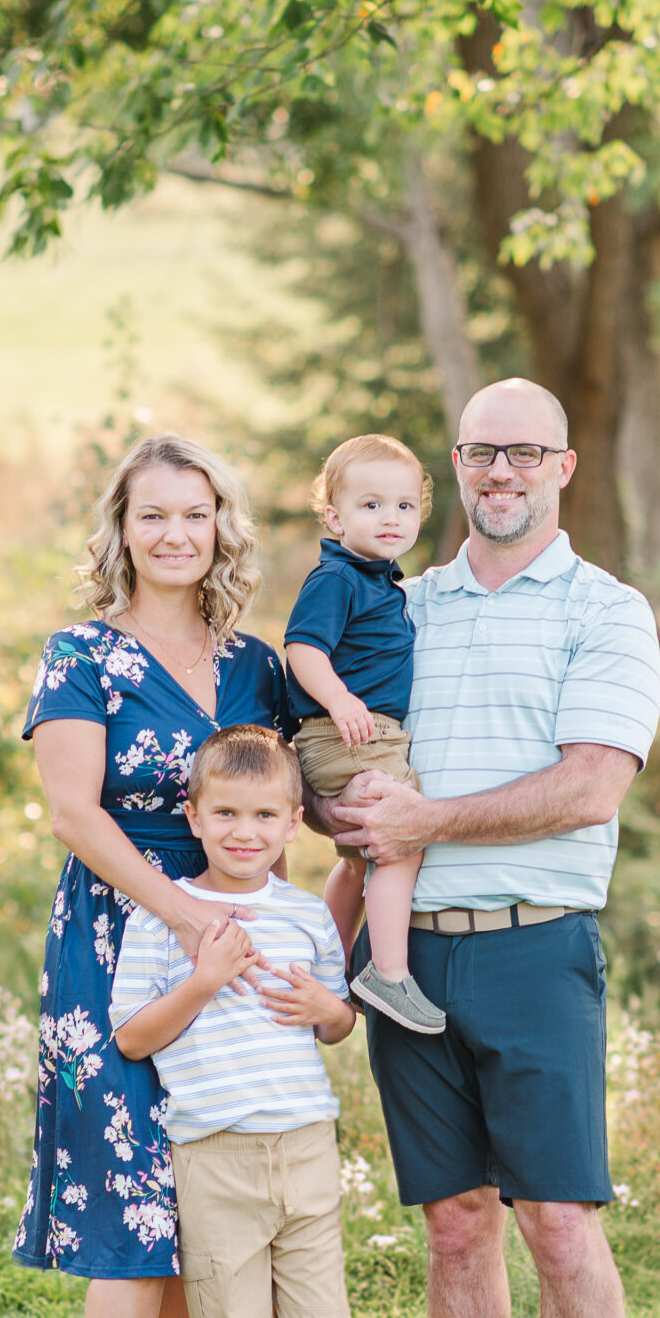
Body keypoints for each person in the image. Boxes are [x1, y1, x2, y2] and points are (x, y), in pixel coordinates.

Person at [326, 377, 660, 1318]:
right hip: (406, 948)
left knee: (558, 1217)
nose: (500, 473)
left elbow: (590, 784)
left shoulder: (605, 611)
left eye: (525, 452)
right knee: (455, 1219)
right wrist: (343, 824)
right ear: (455, 466)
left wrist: (430, 822)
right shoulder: (400, 605)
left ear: (564, 467)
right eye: (479, 454)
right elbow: (341, 759)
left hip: (535, 947)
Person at [11, 435, 296, 1318]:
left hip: (231, 945)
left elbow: (278, 807)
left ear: (222, 524)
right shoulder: (79, 654)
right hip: (115, 943)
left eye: (194, 513)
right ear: (120, 530)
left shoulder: (256, 666)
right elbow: (74, 810)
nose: (175, 534)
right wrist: (182, 912)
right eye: (152, 516)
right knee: (127, 1196)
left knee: (198, 1196)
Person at [108, 725, 358, 1318]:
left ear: (292, 822)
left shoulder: (307, 917)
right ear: (194, 816)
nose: (243, 832)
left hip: (305, 1147)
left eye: (262, 815)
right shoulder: (164, 918)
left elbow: (333, 1020)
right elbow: (133, 1037)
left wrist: (334, 1012)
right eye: (225, 813)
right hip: (213, 1152)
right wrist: (205, 978)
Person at [281, 434, 444, 1035]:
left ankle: (324, 963)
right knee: (405, 834)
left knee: (356, 862)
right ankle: (388, 972)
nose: (391, 518)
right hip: (350, 733)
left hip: (359, 734)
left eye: (404, 506)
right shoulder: (338, 579)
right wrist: (340, 697)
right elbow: (302, 647)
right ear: (334, 517)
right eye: (371, 505)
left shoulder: (380, 582)